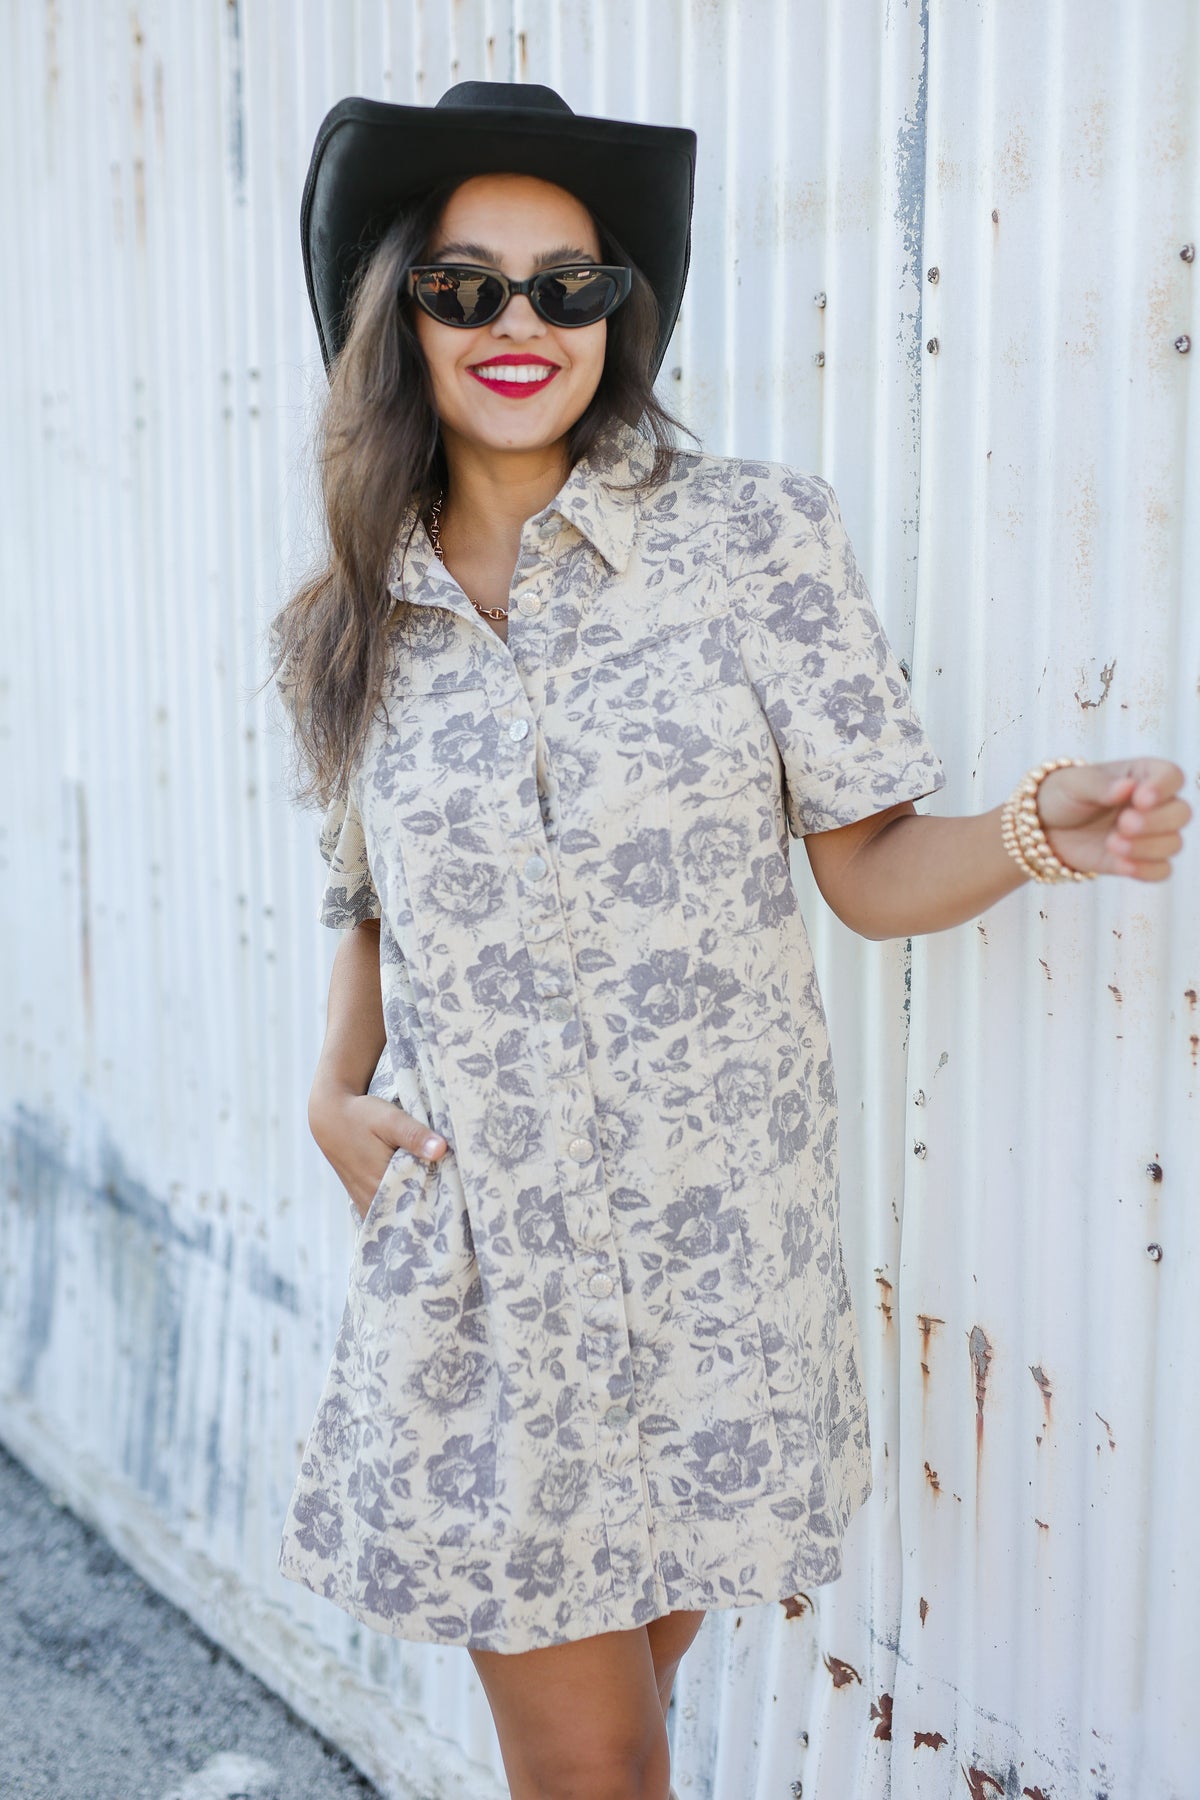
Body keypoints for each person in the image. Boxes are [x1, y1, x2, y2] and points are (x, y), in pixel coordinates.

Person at [267, 82, 1190, 1800]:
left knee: (631, 1729)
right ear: (397, 312)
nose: (521, 323)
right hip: (495, 1280)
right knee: (599, 1770)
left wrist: (1028, 829)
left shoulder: (758, 540)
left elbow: (866, 867)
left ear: (625, 311)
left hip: (722, 1271)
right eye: (466, 286)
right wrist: (330, 1094)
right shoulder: (341, 624)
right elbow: (373, 903)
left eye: (570, 285)